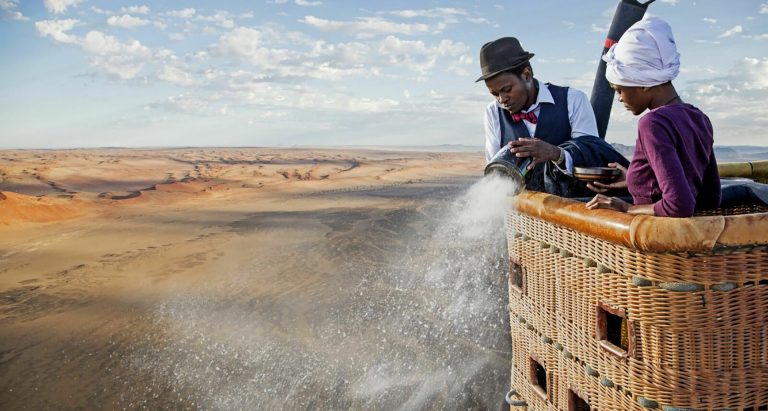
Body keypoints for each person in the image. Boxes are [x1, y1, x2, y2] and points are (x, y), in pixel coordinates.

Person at [585, 17, 721, 217]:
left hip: (655, 241)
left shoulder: (653, 123)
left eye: (620, 89)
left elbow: (679, 206)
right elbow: (711, 197)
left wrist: (627, 208)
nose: (619, 98)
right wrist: (634, 177)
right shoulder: (699, 117)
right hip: (692, 240)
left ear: (645, 83)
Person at [477, 37, 629, 197]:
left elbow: (590, 155)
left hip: (568, 209)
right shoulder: (493, 112)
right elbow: (494, 171)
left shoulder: (573, 100)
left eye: (506, 89)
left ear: (527, 74)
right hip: (521, 212)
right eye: (494, 94)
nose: (502, 99)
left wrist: (556, 153)